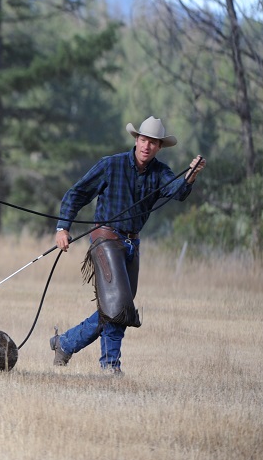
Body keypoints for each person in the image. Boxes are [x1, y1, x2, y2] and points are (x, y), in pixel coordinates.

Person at [51, 116, 206, 374]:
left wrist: (190, 176)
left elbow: (177, 192)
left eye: (153, 142)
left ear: (159, 147)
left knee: (118, 307)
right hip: (105, 239)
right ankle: (110, 366)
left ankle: (65, 343)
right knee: (117, 304)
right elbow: (77, 193)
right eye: (143, 140)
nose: (147, 146)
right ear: (136, 140)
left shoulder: (160, 172)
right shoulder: (111, 165)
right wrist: (62, 228)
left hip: (132, 243)